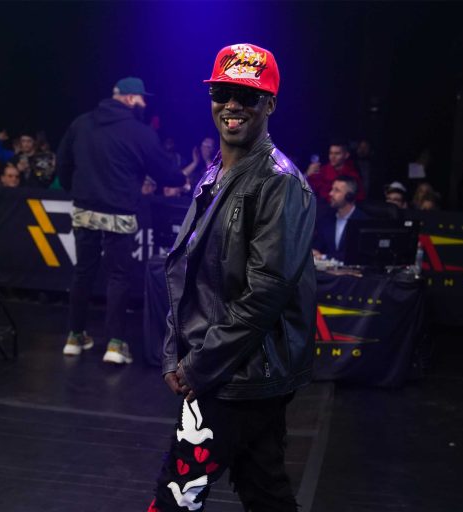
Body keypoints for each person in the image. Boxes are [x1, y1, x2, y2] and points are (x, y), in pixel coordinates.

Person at [148, 43, 315, 512]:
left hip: (238, 374)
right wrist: (174, 353)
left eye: (248, 95)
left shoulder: (280, 183)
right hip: (233, 369)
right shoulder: (215, 174)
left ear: (270, 104)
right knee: (265, 490)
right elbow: (190, 276)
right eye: (222, 92)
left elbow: (264, 294)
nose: (232, 105)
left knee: (176, 497)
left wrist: (196, 366)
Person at [57, 76, 183, 361]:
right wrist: (180, 179)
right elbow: (164, 170)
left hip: (85, 209)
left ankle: (74, 337)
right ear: (128, 98)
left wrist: (75, 191)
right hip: (120, 211)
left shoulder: (81, 123)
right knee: (118, 276)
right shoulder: (139, 132)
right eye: (141, 99)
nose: (144, 104)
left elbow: (63, 162)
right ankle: (115, 344)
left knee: (82, 272)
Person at [312, 175, 367, 262]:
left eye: (336, 190)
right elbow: (317, 245)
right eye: (332, 189)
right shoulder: (325, 219)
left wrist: (324, 257)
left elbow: (358, 255)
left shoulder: (363, 221)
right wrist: (314, 251)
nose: (331, 193)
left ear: (349, 196)